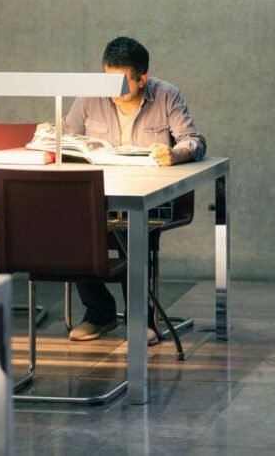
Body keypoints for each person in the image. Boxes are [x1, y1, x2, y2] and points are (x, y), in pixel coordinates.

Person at [64, 36, 206, 342]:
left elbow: (194, 140)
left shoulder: (167, 95)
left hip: (150, 196)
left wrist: (175, 153)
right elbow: (67, 136)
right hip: (99, 192)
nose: (110, 91)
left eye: (120, 83)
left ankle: (140, 317)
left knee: (132, 225)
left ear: (142, 79)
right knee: (71, 224)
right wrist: (52, 139)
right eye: (106, 80)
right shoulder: (90, 96)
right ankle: (99, 311)